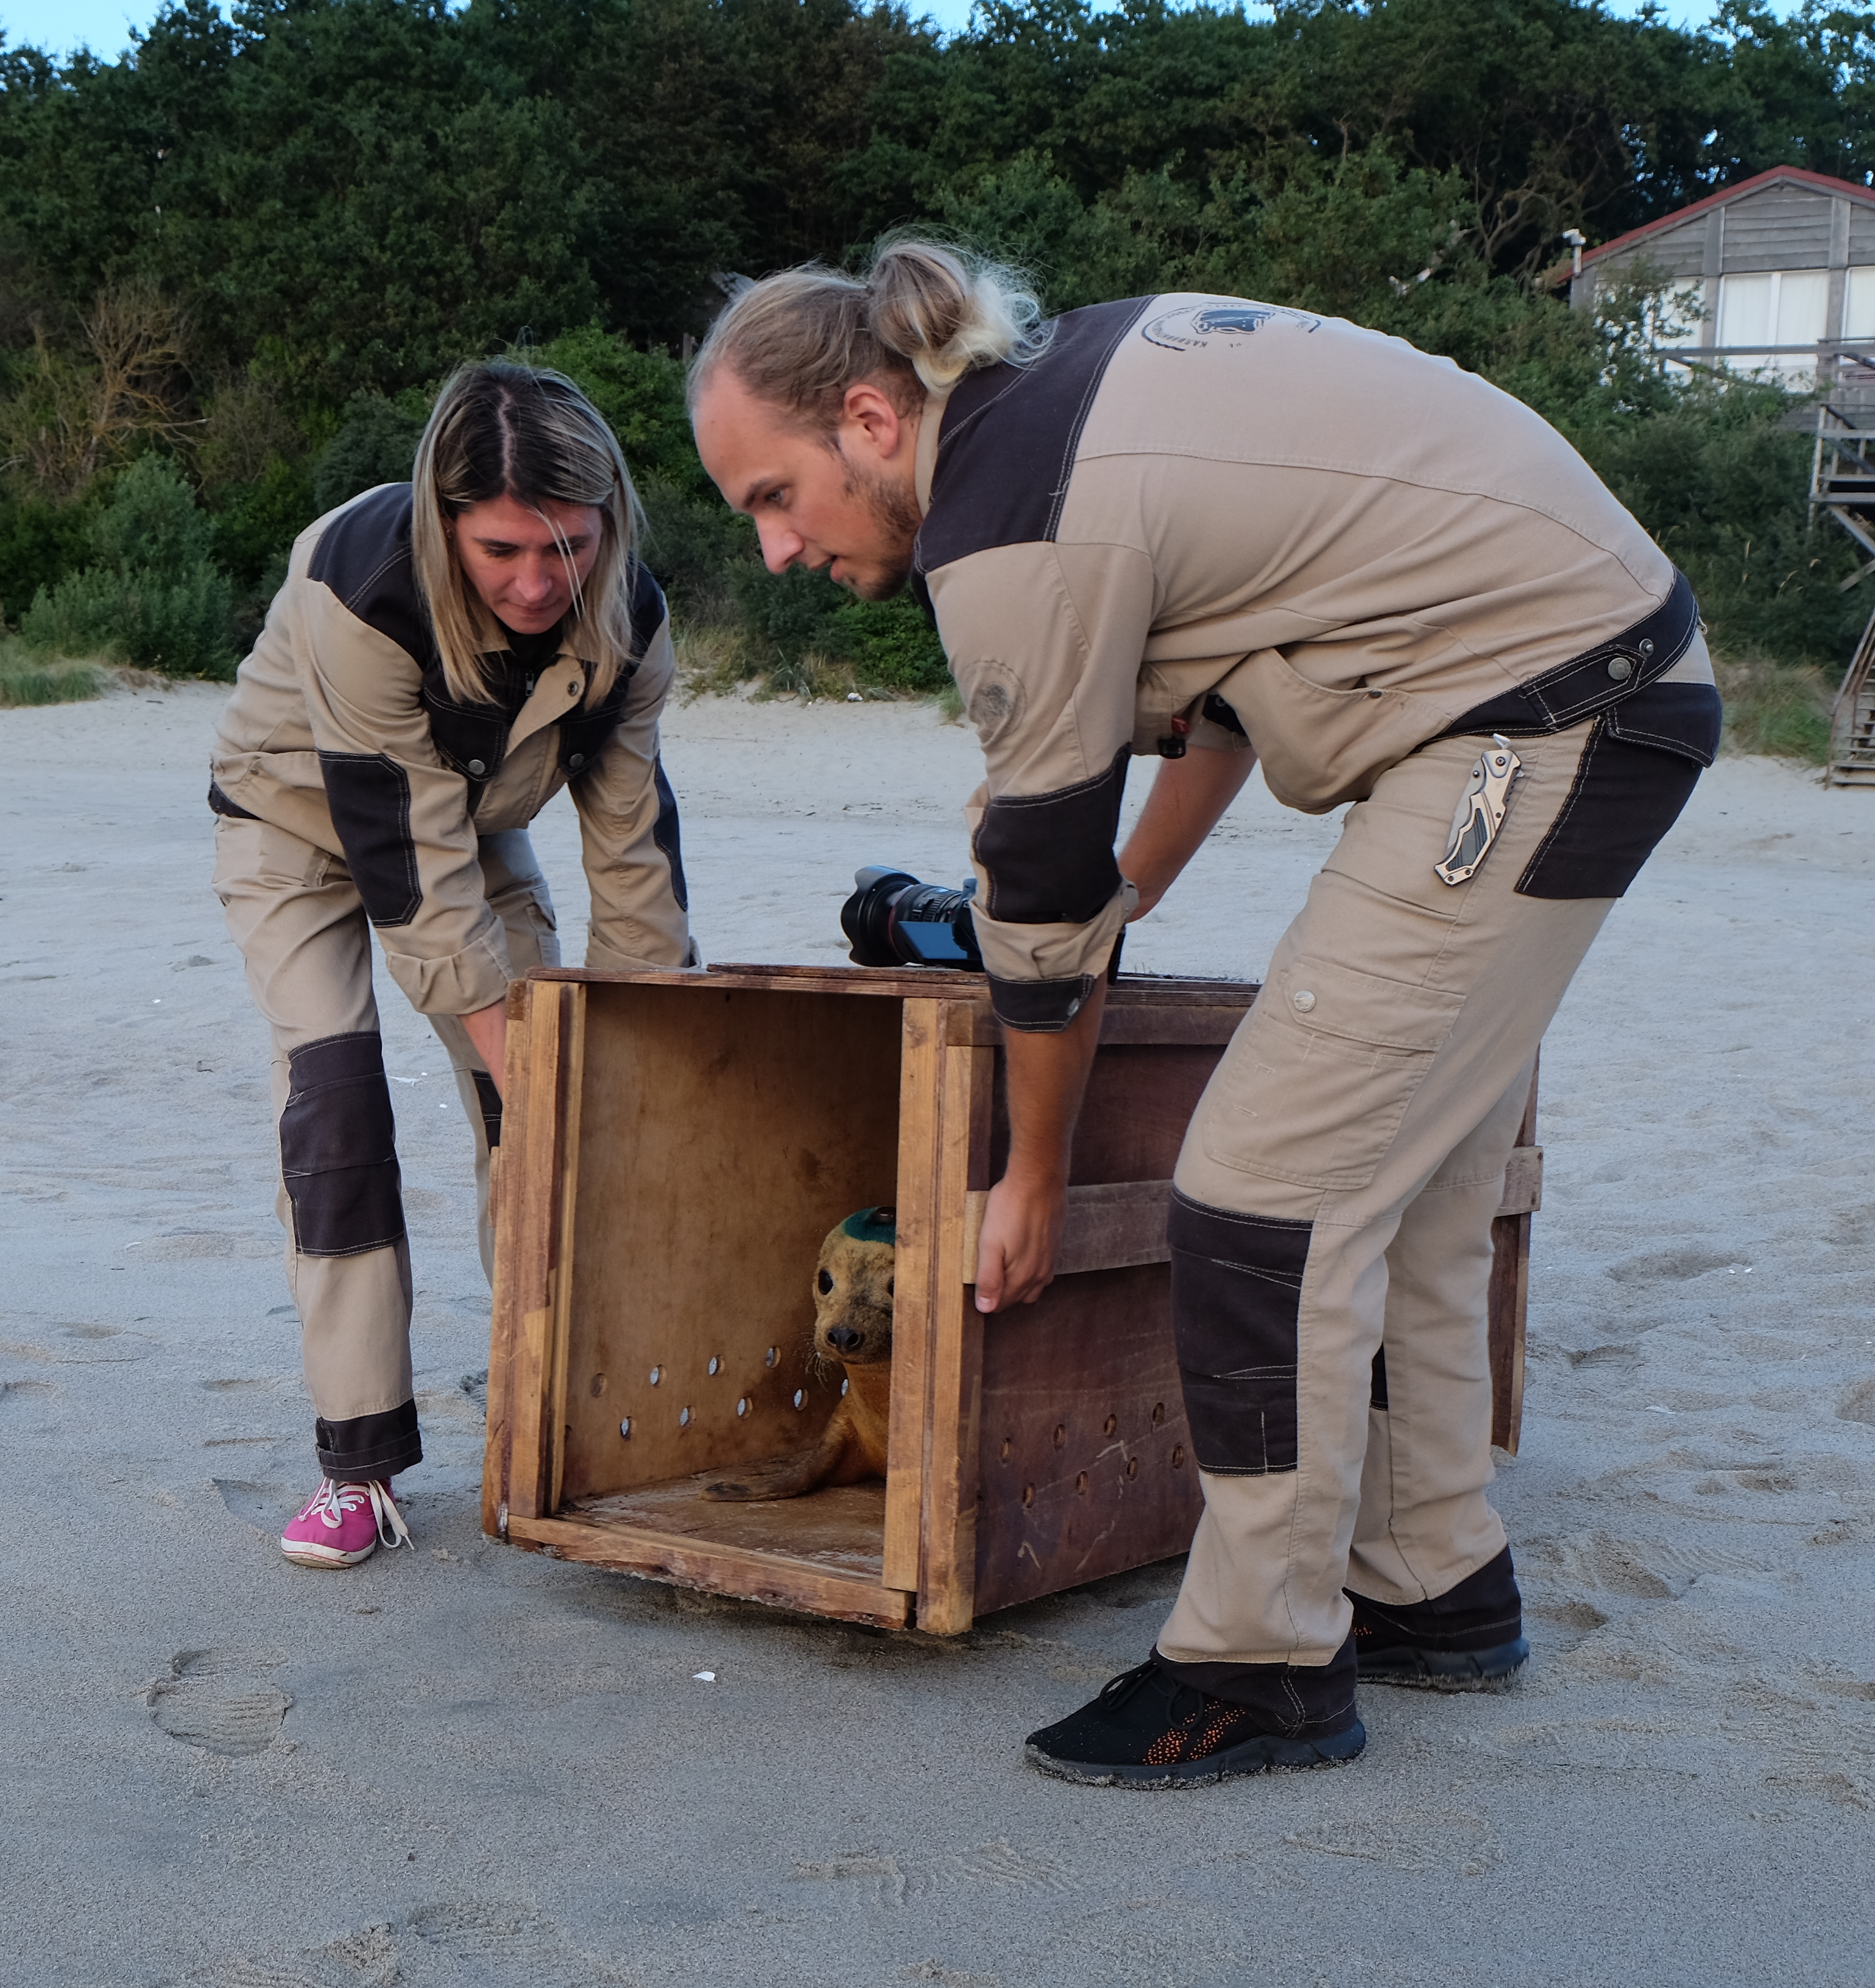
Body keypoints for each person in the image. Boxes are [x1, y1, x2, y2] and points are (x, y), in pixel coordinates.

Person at [691, 243, 1718, 1788]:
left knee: (1258, 1205)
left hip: (1535, 719)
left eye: (773, 498)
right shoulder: (1065, 405)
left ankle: (1260, 1661)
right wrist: (1126, 894)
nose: (775, 551)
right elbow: (1228, 702)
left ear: (866, 420)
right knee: (1419, 1187)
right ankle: (1430, 1578)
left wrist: (1029, 1182)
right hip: (1600, 690)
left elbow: (1031, 910)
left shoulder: (1007, 524)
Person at [210, 363, 699, 1569]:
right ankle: (357, 1465)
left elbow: (633, 863)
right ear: (443, 524)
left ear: (609, 524)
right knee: (335, 1107)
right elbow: (408, 878)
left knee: (548, 1118)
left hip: (472, 837)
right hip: (295, 830)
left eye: (567, 548)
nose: (538, 582)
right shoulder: (359, 589)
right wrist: (530, 1067)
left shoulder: (630, 617)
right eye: (500, 552)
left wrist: (642, 1052)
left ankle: (564, 1420)